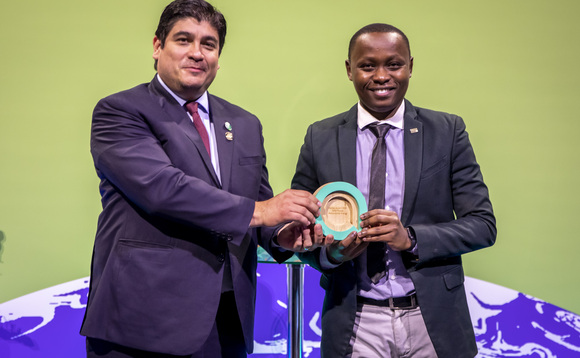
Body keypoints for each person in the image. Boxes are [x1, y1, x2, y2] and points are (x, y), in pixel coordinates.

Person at [80, 0, 329, 357]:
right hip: (142, 324)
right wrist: (260, 213)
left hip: (227, 321)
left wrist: (280, 236)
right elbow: (163, 189)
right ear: (157, 46)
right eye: (183, 40)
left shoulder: (244, 123)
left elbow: (258, 201)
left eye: (208, 44)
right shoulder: (119, 111)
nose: (197, 53)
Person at [292, 23, 497, 357]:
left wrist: (411, 239)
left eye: (394, 64)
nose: (381, 75)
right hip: (354, 320)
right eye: (367, 65)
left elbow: (483, 225)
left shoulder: (447, 132)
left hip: (432, 321)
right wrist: (331, 255)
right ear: (349, 70)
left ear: (411, 67)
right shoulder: (320, 137)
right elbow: (299, 230)